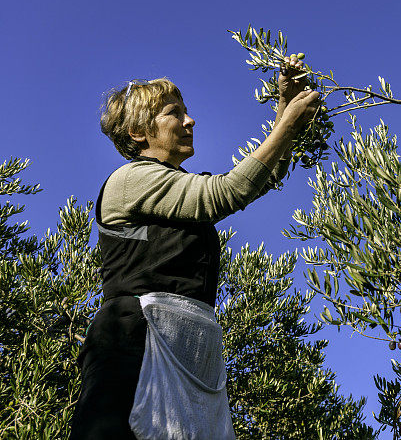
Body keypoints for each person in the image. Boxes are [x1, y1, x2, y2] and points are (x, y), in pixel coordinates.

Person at [69, 55, 321, 439]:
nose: (190, 121)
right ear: (139, 132)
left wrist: (285, 105)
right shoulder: (132, 179)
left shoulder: (173, 184)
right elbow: (230, 190)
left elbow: (262, 178)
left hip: (184, 348)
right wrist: (286, 123)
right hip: (134, 345)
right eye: (175, 114)